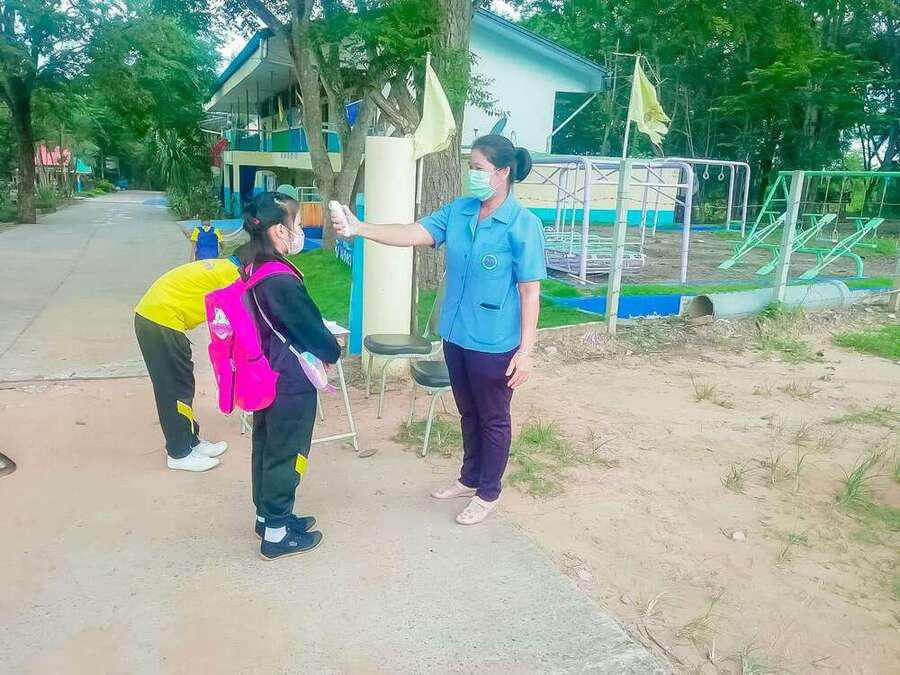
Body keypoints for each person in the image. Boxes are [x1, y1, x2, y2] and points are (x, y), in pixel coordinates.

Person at [333, 134, 545, 526]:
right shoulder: (460, 210)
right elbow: (412, 232)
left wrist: (526, 352)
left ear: (503, 172)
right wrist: (361, 228)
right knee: (467, 411)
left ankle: (488, 492)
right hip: (456, 333)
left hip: (495, 341)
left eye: (478, 168)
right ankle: (469, 477)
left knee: (493, 417)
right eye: (470, 167)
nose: (471, 175)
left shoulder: (523, 224)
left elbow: (530, 291)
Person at [235, 192, 340, 560]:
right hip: (289, 378)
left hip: (264, 370)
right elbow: (309, 327)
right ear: (279, 231)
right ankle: (277, 535)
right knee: (288, 451)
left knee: (267, 446)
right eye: (296, 224)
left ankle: (267, 517)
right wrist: (332, 351)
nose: (299, 231)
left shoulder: (252, 266)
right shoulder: (280, 279)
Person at [135, 257, 240, 472]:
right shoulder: (235, 277)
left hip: (160, 318)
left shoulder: (226, 267)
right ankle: (179, 452)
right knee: (173, 389)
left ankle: (191, 440)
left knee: (183, 384)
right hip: (160, 322)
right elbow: (237, 319)